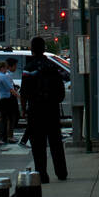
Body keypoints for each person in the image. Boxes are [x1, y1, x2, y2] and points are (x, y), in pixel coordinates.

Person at [20, 36, 67, 183]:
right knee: (56, 142)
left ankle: (42, 174)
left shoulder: (29, 69)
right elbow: (61, 92)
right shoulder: (52, 67)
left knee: (38, 145)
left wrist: (24, 110)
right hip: (52, 109)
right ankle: (61, 172)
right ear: (44, 48)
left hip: (35, 110)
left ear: (32, 50)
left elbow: (24, 93)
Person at [0, 57, 19, 144]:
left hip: (2, 98)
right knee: (6, 119)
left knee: (4, 118)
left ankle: (2, 137)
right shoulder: (3, 77)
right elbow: (10, 89)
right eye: (5, 67)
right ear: (2, 68)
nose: (6, 69)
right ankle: (1, 137)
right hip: (6, 99)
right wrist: (19, 96)